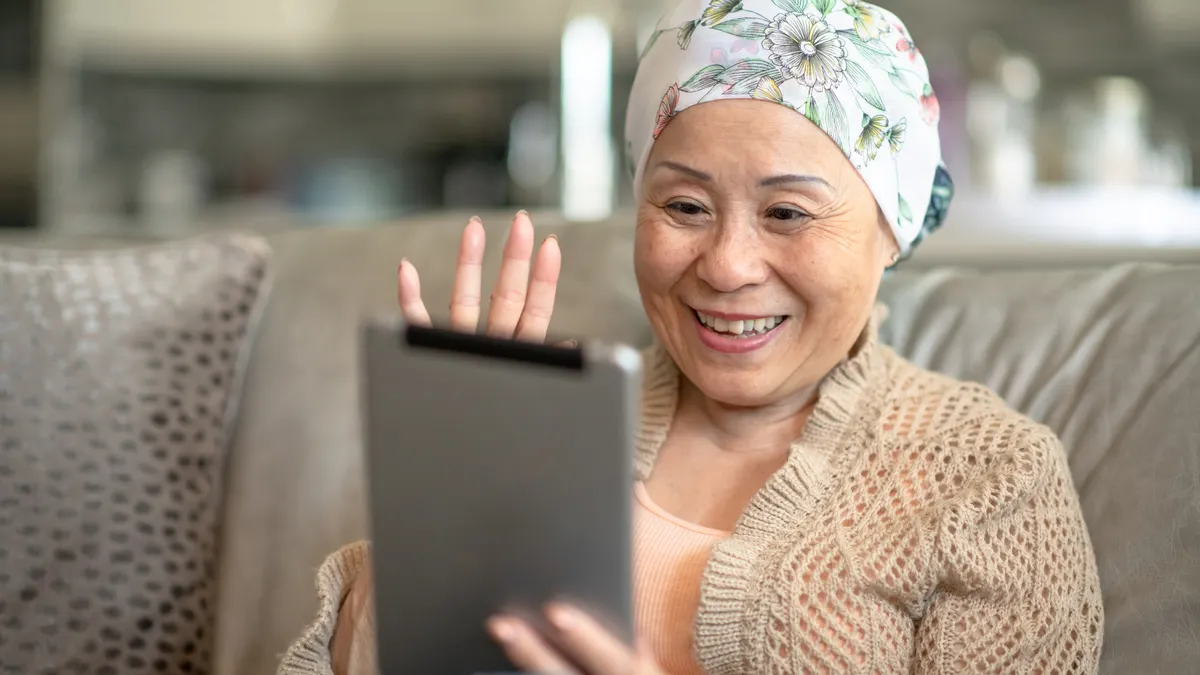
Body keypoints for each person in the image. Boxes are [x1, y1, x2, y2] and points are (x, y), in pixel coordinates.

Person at [278, 1, 1104, 673]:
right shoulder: (534, 422)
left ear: (890, 232)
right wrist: (429, 516)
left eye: (787, 213)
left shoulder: (994, 480)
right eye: (683, 207)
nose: (728, 265)